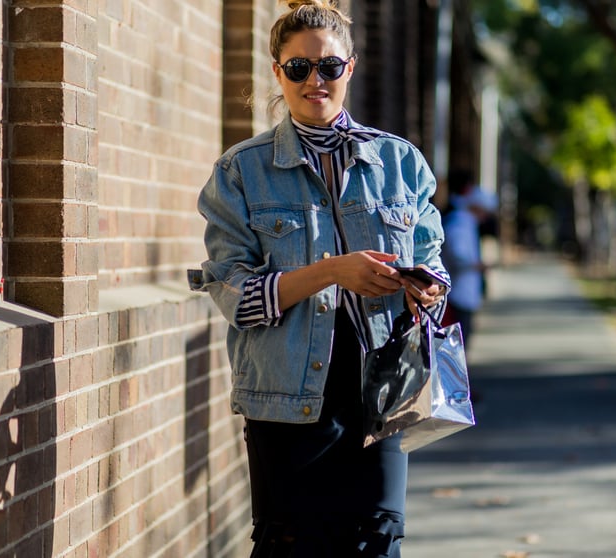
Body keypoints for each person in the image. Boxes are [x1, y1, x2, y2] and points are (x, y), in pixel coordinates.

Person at [189, 1, 449, 556]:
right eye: (299, 67)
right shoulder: (241, 172)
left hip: (382, 389)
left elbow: (435, 264)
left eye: (329, 67)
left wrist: (426, 288)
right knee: (292, 544)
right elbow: (236, 297)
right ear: (277, 71)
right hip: (287, 397)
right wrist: (333, 272)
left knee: (377, 542)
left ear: (349, 68)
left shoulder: (400, 162)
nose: (315, 80)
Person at [440, 169, 497, 344]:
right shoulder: (459, 222)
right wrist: (478, 265)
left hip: (464, 293)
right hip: (457, 294)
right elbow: (459, 256)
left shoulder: (465, 222)